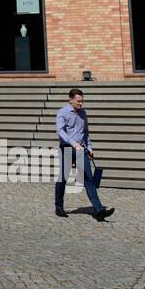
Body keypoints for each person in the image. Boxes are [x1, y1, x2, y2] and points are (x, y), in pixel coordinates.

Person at [54, 87, 114, 221]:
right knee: (63, 178)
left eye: (82, 101)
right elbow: (61, 132)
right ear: (70, 100)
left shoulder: (83, 113)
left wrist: (90, 147)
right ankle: (59, 207)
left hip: (81, 150)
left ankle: (99, 211)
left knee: (88, 179)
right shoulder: (62, 113)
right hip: (67, 149)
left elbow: (86, 132)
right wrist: (73, 143)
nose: (81, 104)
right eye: (78, 101)